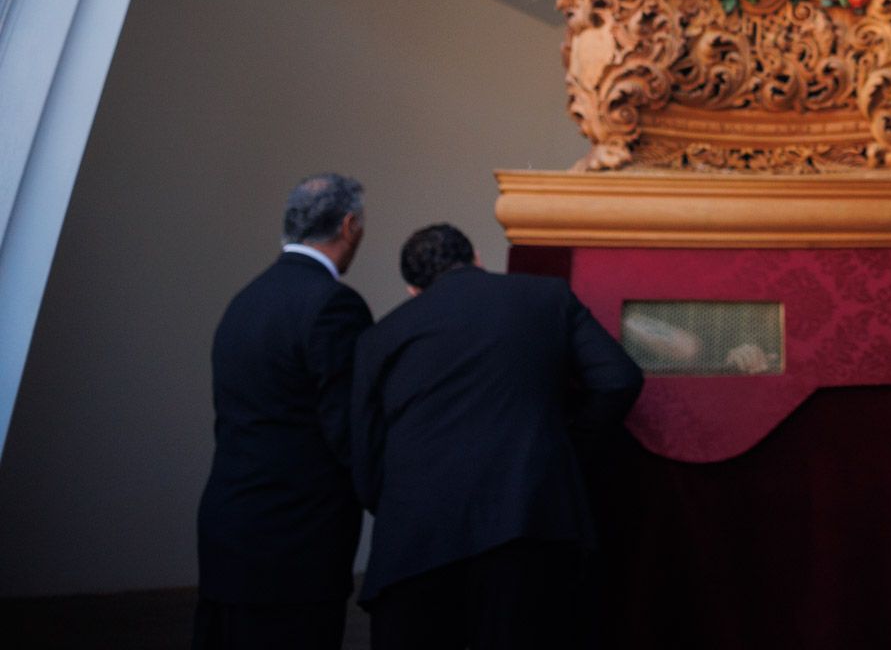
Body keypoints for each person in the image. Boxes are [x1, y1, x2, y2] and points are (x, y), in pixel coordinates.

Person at [351, 223, 643, 648]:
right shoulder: (547, 297)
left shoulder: (379, 338)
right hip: (527, 523)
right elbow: (619, 380)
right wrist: (563, 447)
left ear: (413, 289)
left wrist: (401, 507)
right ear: (477, 260)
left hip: (415, 544)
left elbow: (364, 455)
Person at [194, 172, 374, 650]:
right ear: (349, 225)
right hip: (295, 543)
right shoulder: (334, 306)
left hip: (229, 526)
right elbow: (348, 429)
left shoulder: (245, 301)